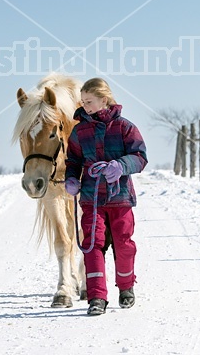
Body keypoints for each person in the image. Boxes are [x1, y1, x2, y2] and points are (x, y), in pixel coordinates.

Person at [65, 77, 147, 316]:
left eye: (89, 101)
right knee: (92, 245)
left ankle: (126, 287)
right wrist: (72, 178)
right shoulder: (80, 131)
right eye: (83, 101)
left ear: (105, 99)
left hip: (120, 197)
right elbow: (73, 161)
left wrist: (121, 165)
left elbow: (140, 156)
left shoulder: (125, 127)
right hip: (92, 199)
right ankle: (97, 297)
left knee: (123, 243)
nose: (85, 106)